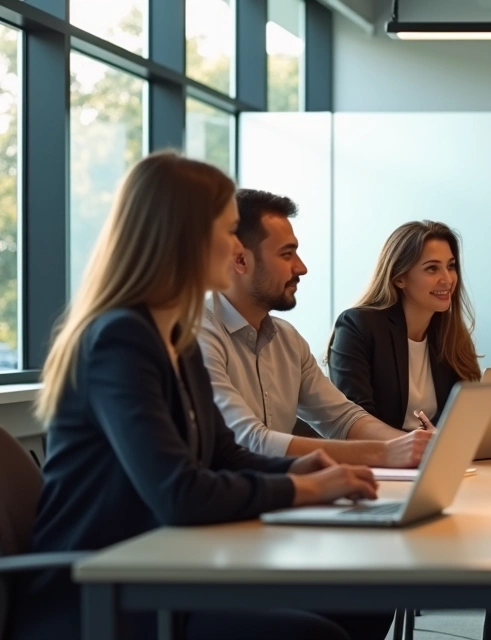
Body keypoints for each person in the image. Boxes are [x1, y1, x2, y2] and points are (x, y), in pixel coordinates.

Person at [11, 152, 387, 640]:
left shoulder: (177, 338)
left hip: (164, 569)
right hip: (103, 590)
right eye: (229, 229)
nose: (237, 246)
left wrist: (301, 468)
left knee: (365, 603)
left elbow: (223, 454)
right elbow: (179, 494)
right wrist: (306, 489)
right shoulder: (119, 340)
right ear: (185, 235)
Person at [200, 190, 431, 469]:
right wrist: (383, 454)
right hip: (225, 507)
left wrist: (415, 449)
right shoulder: (198, 336)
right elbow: (248, 441)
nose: (302, 267)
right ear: (240, 260)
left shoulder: (287, 339)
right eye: (287, 254)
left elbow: (342, 419)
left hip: (274, 497)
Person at [328, 221, 481, 431]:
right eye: (432, 268)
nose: (447, 279)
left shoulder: (449, 334)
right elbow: (355, 422)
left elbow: (465, 417)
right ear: (400, 278)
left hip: (433, 457)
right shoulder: (358, 326)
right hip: (378, 459)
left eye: (451, 266)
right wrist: (416, 444)